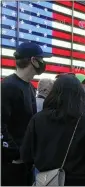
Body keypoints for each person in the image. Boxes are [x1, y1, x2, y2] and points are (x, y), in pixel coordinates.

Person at [20, 74, 85, 186]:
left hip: (47, 181)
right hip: (81, 180)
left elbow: (26, 154)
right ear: (79, 95)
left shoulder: (37, 119)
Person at [1, 42, 51, 186]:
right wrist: (15, 154)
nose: (44, 63)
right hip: (11, 165)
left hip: (26, 162)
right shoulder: (8, 86)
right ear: (33, 60)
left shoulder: (29, 86)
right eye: (41, 59)